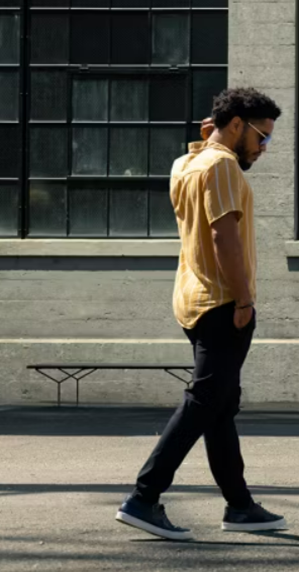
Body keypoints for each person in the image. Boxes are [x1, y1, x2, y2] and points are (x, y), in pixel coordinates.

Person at [114, 88, 288, 541]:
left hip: (192, 299)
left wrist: (211, 131)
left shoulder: (187, 164)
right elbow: (223, 238)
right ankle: (144, 497)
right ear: (237, 126)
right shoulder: (223, 166)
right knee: (205, 402)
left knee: (220, 405)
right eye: (261, 137)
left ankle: (240, 505)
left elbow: (202, 144)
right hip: (222, 303)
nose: (264, 147)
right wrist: (245, 299)